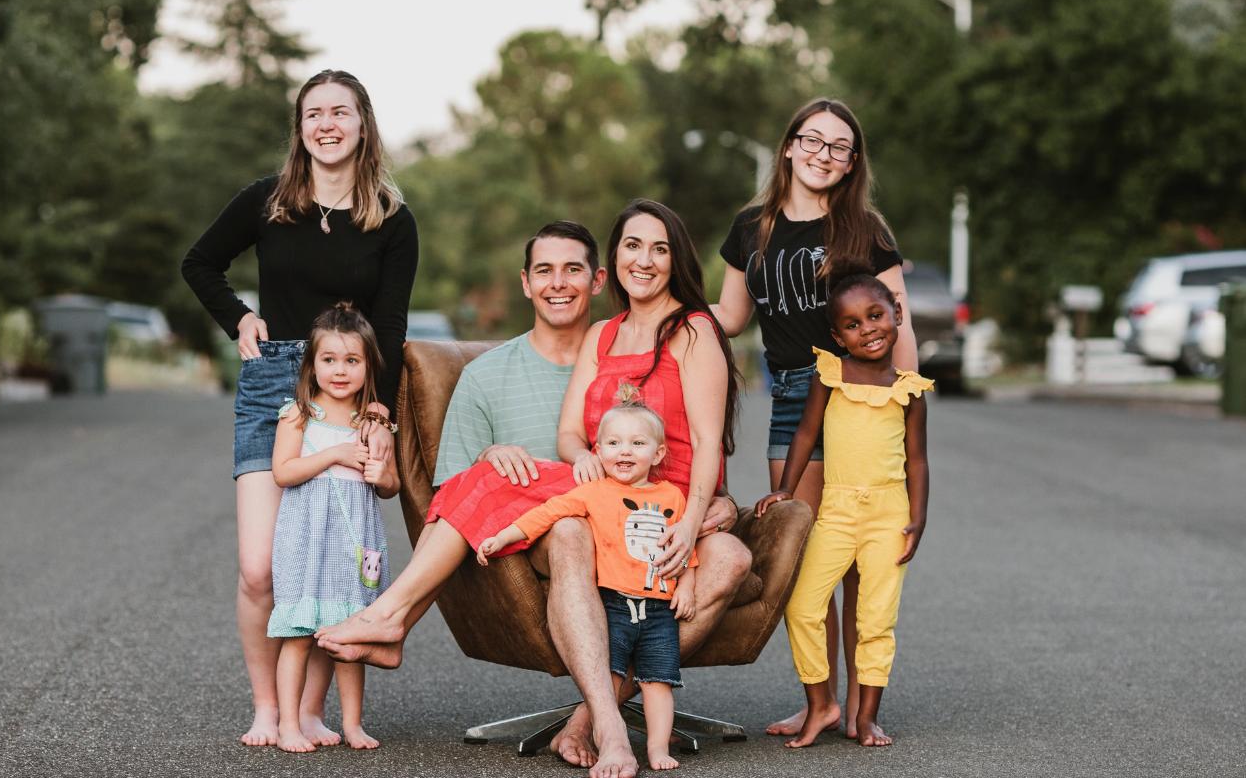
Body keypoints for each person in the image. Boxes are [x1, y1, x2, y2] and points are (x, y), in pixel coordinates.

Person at [316, 208, 749, 778]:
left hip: (667, 501)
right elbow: (571, 434)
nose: (644, 260)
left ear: (676, 260)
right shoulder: (603, 334)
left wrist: (694, 521)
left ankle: (584, 716)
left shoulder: (693, 330)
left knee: (732, 559)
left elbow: (708, 442)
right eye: (632, 245)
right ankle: (395, 619)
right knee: (497, 475)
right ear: (616, 258)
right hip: (607, 492)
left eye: (660, 248)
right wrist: (582, 456)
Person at [181, 69, 417, 746]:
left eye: (340, 112)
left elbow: (389, 326)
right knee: (261, 569)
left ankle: (310, 709)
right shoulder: (268, 200)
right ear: (301, 127)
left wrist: (380, 414)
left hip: (347, 394)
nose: (327, 124)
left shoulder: (392, 219)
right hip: (273, 381)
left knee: (328, 563)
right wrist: (238, 317)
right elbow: (200, 263)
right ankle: (268, 706)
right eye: (314, 113)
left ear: (363, 124)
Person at [714, 96, 916, 738]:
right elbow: (730, 317)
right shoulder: (752, 229)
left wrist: (904, 401)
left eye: (839, 147)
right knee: (805, 556)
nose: (824, 155)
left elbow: (899, 321)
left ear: (852, 162)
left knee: (858, 561)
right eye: (813, 140)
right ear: (789, 146)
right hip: (792, 398)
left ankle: (861, 707)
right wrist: (663, 309)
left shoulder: (865, 230)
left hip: (859, 398)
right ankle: (820, 699)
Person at [754, 271, 931, 748]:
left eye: (875, 316)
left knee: (876, 619)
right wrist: (786, 489)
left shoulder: (910, 390)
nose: (867, 329)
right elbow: (805, 434)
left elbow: (917, 460)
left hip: (889, 516)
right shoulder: (829, 376)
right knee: (801, 602)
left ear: (896, 313)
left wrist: (918, 519)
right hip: (835, 511)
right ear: (837, 336)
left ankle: (866, 717)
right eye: (852, 325)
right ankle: (820, 704)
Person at [478, 401, 695, 771]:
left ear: (658, 453)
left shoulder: (672, 497)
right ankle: (603, 730)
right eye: (613, 443)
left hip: (660, 609)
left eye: (637, 443)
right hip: (613, 604)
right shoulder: (593, 492)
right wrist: (503, 537)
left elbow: (686, 549)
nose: (624, 451)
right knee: (609, 673)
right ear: (598, 450)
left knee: (659, 682)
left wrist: (687, 585)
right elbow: (545, 513)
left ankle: (658, 749)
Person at [268, 303, 400, 752]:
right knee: (298, 635)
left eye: (351, 360)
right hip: (307, 540)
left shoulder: (373, 423)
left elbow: (391, 486)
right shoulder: (299, 414)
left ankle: (353, 724)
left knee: (349, 634)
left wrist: (383, 476)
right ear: (312, 364)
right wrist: (335, 455)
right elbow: (283, 472)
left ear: (368, 366)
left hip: (353, 544)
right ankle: (289, 724)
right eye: (329, 359)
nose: (340, 371)